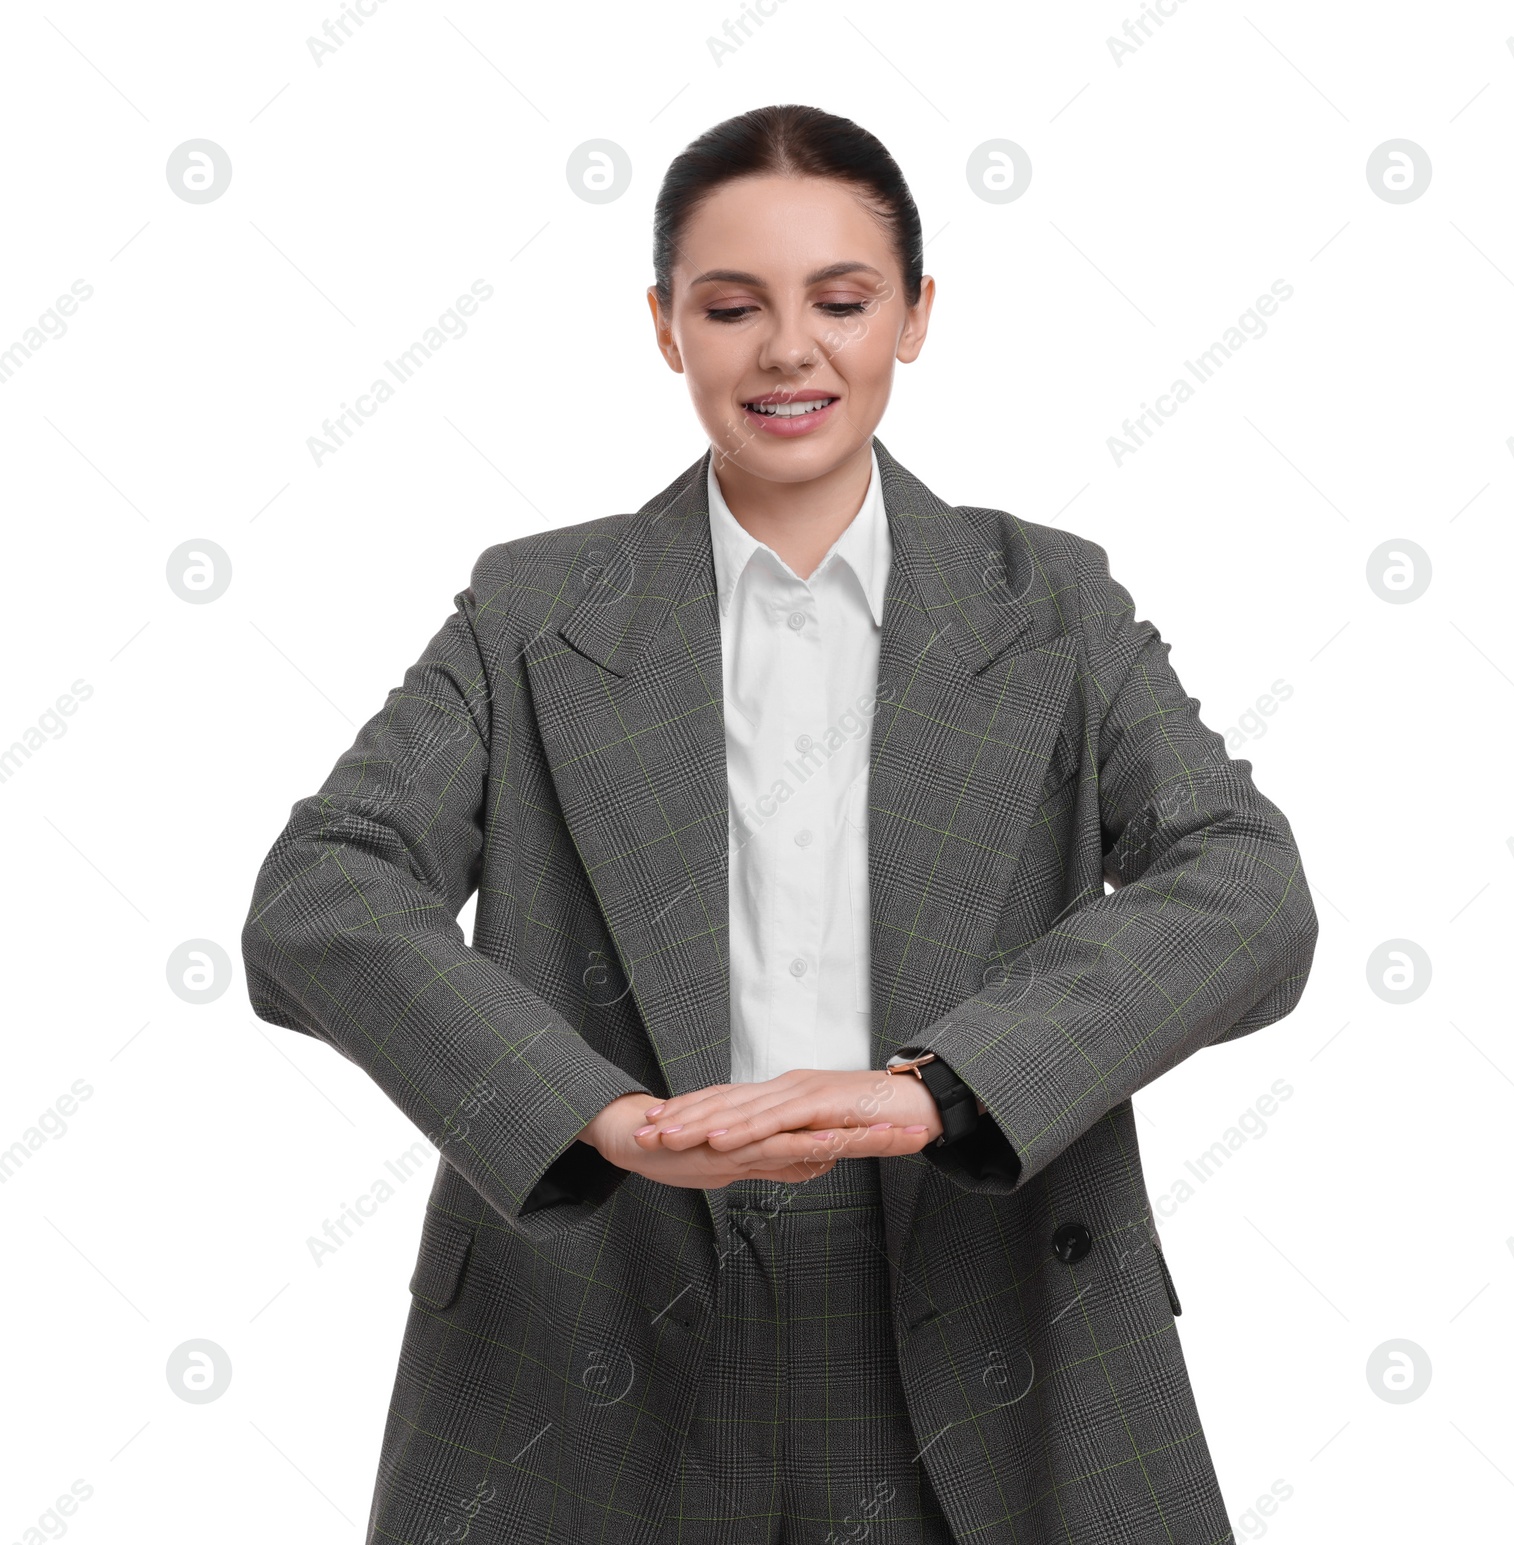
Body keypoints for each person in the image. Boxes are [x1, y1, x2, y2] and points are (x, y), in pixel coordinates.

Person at [241, 102, 1318, 1545]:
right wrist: (591, 1115)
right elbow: (321, 892)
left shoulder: (1050, 603)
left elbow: (1247, 887)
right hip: (601, 1305)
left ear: (917, 316)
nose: (789, 349)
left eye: (843, 299)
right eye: (732, 304)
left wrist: (944, 1086)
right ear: (666, 325)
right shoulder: (535, 609)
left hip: (978, 1294)